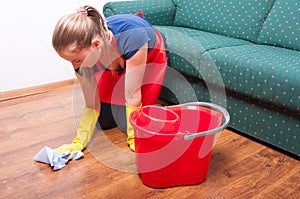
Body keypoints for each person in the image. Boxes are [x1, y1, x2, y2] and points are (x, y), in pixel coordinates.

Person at [52, 5, 167, 153]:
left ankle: (159, 111)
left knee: (138, 122)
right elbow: (91, 104)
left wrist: (134, 138)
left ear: (96, 45)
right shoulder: (86, 58)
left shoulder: (133, 37)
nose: (75, 66)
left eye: (76, 60)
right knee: (103, 122)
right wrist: (79, 141)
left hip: (146, 53)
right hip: (110, 56)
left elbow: (132, 95)